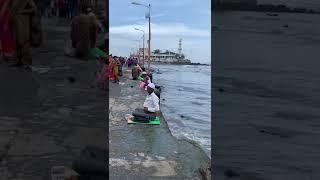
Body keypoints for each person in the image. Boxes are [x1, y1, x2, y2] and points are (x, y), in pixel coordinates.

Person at [9, 0, 36, 69]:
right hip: (15, 22)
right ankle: (17, 61)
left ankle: (26, 62)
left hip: (23, 22)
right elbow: (10, 8)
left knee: (24, 41)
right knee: (16, 42)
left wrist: (23, 11)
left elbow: (34, 9)